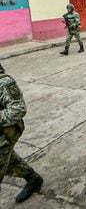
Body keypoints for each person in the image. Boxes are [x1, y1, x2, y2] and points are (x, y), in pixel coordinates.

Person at [0, 63, 43, 203]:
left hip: (4, 136)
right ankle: (33, 179)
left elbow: (18, 109)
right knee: (10, 161)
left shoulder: (4, 82)